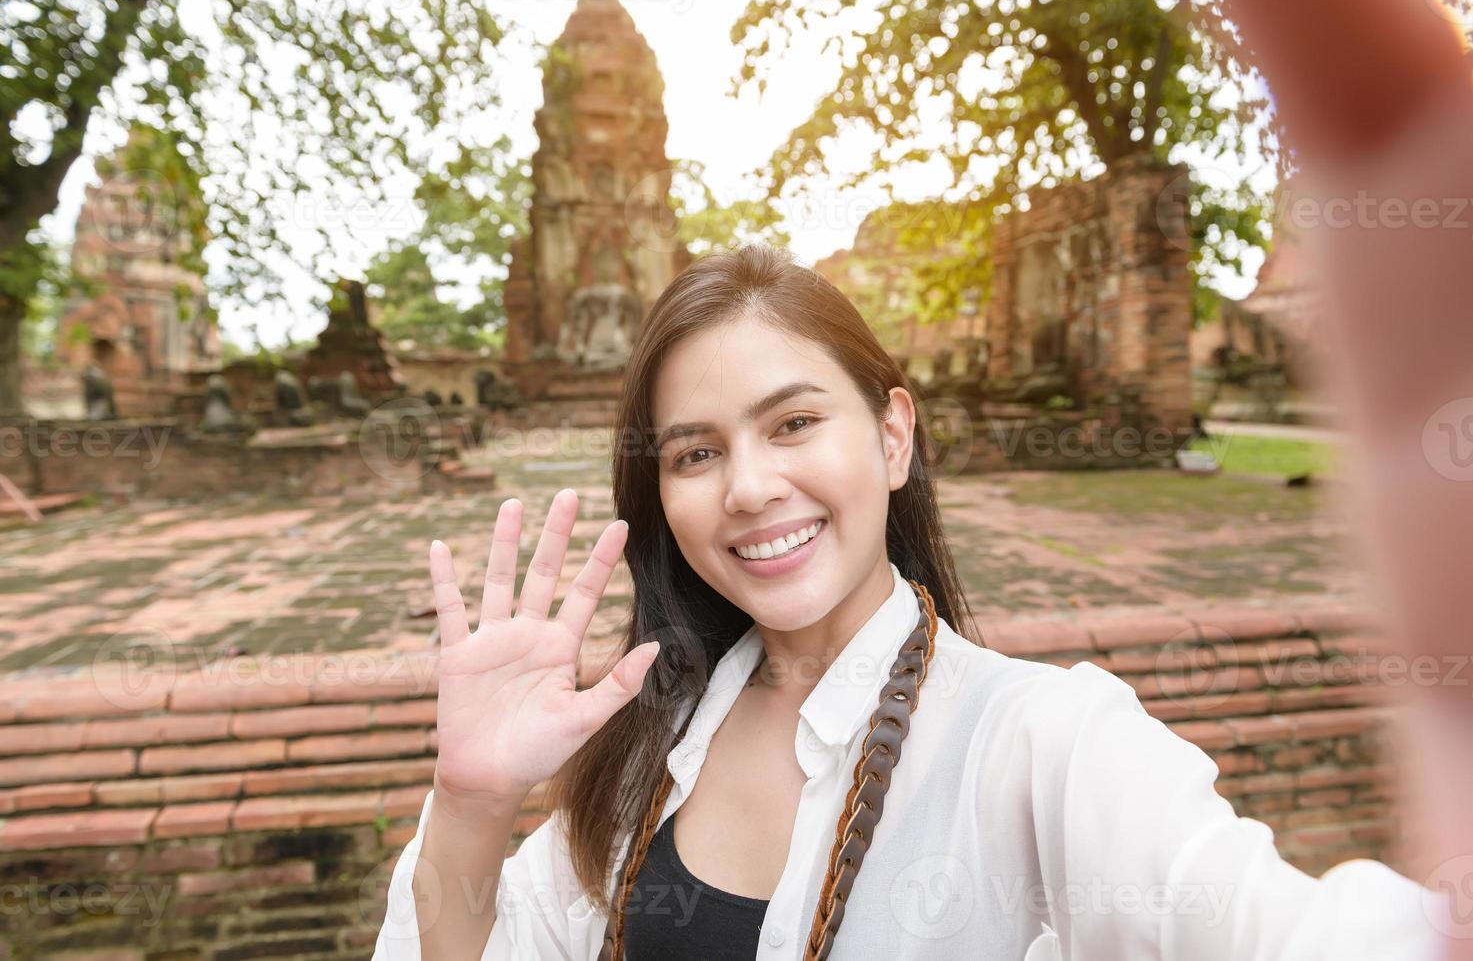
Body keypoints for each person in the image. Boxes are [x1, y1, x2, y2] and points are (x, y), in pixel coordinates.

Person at [371, 240, 1447, 959]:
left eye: (794, 423)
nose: (750, 487)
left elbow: (1285, 931)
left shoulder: (1040, 744)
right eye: (697, 450)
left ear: (893, 435)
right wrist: (471, 801)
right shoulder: (646, 744)